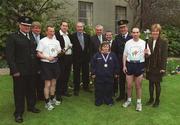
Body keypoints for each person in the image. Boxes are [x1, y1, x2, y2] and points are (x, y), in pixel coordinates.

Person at [6, 16, 40, 123]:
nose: (26, 27)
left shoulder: (31, 36)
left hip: (32, 69)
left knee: (31, 89)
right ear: (20, 25)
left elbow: (34, 53)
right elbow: (10, 56)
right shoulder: (13, 37)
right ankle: (18, 113)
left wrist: (37, 68)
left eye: (28, 26)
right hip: (19, 71)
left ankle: (31, 106)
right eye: (24, 25)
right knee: (19, 92)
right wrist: (14, 70)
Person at [122, 27, 151, 111]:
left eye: (137, 32)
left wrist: (147, 53)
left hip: (139, 64)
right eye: (134, 32)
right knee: (129, 85)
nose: (135, 34)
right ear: (131, 33)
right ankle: (129, 100)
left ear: (139, 33)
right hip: (130, 64)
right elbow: (125, 55)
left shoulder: (143, 42)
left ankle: (139, 103)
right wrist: (124, 66)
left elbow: (148, 54)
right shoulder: (128, 43)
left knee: (138, 85)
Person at [36, 25, 61, 110]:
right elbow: (38, 53)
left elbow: (59, 51)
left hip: (55, 64)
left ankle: (53, 98)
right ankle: (47, 102)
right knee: (48, 84)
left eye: (53, 31)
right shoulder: (42, 41)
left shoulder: (56, 41)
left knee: (54, 83)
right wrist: (47, 58)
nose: (52, 33)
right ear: (46, 32)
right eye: (50, 31)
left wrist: (57, 54)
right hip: (46, 64)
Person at [145, 24, 168, 107]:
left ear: (159, 32)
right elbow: (148, 55)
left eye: (156, 31)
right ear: (152, 32)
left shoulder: (163, 41)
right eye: (153, 31)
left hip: (158, 67)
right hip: (150, 66)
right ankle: (151, 99)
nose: (155, 32)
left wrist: (163, 68)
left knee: (157, 84)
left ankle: (157, 100)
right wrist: (146, 54)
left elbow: (164, 56)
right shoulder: (149, 41)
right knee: (150, 83)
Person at [91, 42, 119, 106]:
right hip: (99, 76)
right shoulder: (97, 55)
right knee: (99, 88)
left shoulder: (113, 55)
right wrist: (93, 73)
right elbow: (93, 65)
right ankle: (99, 100)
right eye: (104, 46)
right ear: (101, 48)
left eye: (107, 46)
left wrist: (116, 73)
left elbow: (116, 64)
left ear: (109, 47)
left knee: (109, 88)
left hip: (109, 76)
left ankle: (108, 100)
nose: (106, 48)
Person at [111, 20, 132, 101]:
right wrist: (116, 63)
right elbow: (114, 51)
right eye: (121, 28)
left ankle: (128, 95)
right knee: (121, 80)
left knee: (129, 80)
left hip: (130, 62)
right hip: (120, 62)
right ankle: (122, 95)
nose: (122, 29)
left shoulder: (131, 37)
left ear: (127, 28)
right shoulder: (117, 38)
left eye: (124, 27)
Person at [71, 22, 91, 96]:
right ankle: (76, 89)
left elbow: (89, 47)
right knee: (76, 74)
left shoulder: (87, 36)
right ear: (76, 27)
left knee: (86, 73)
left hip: (85, 58)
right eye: (78, 27)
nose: (80, 28)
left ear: (83, 27)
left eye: (81, 27)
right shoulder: (72, 36)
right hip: (76, 58)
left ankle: (86, 87)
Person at [55, 21, 73, 99]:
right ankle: (58, 93)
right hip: (61, 58)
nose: (65, 27)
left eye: (66, 26)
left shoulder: (69, 35)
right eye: (63, 26)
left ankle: (64, 91)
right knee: (60, 76)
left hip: (69, 58)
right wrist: (66, 48)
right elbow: (56, 48)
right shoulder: (56, 35)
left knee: (66, 75)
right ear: (60, 26)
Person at [31, 21, 44, 100]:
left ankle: (40, 95)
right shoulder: (28, 37)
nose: (37, 29)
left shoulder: (43, 37)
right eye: (36, 28)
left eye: (39, 28)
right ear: (32, 29)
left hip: (41, 61)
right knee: (32, 81)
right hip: (32, 62)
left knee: (41, 79)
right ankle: (32, 97)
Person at [105, 31, 118, 96]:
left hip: (113, 62)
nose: (108, 36)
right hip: (105, 62)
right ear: (105, 36)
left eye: (110, 35)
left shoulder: (115, 42)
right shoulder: (103, 43)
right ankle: (107, 90)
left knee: (114, 77)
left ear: (112, 35)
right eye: (107, 35)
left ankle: (114, 91)